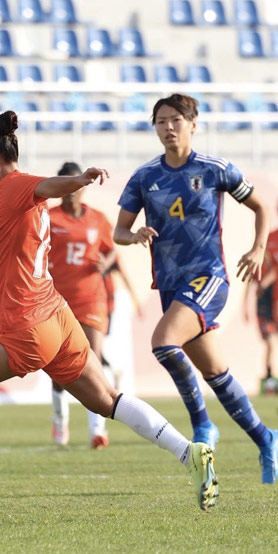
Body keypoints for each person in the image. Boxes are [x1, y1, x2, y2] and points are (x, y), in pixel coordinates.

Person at [0, 110, 218, 511]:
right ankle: (190, 454)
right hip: (57, 317)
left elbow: (45, 186)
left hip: (26, 325)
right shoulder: (5, 200)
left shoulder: (15, 185)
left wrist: (79, 180)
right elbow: (17, 241)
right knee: (107, 399)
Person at [113, 93, 278, 484]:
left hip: (209, 278)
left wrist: (257, 249)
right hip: (170, 287)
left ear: (193, 123)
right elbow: (117, 231)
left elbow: (260, 206)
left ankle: (203, 426)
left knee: (163, 342)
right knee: (216, 373)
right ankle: (267, 438)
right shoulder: (144, 177)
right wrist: (133, 234)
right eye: (160, 121)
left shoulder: (214, 169)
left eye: (175, 120)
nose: (168, 128)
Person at [48, 161, 115, 449]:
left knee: (93, 359)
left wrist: (105, 263)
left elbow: (112, 252)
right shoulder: (49, 218)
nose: (69, 191)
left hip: (91, 296)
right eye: (64, 184)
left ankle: (97, 430)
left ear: (82, 187)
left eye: (74, 185)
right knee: (57, 363)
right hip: (57, 300)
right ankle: (60, 423)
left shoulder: (98, 219)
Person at [243, 227, 278, 394]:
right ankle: (270, 378)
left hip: (274, 301)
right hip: (263, 306)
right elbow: (249, 283)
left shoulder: (270, 263)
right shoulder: (257, 262)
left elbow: (273, 272)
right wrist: (245, 306)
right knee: (270, 342)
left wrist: (264, 284)